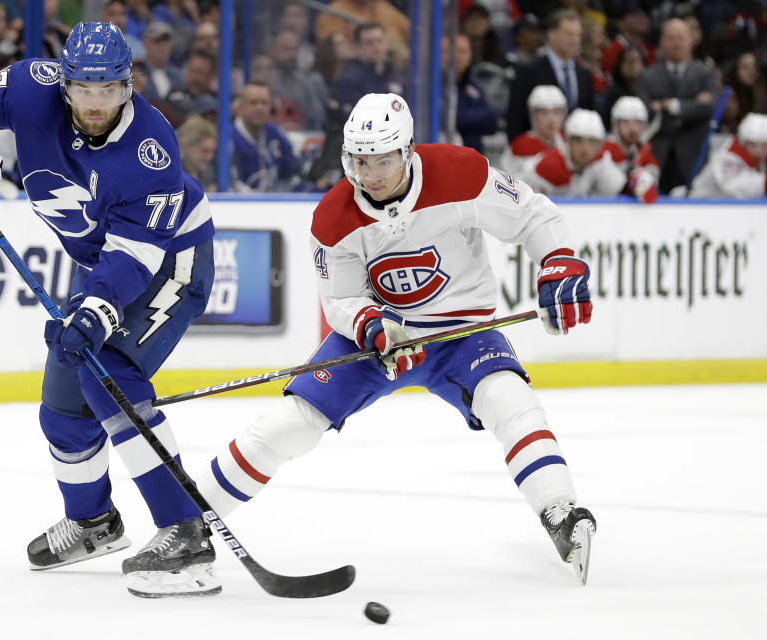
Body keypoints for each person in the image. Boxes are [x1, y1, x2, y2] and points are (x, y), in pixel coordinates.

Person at [194, 92, 597, 585]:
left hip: (461, 331)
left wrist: (557, 261)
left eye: (383, 160)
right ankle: (188, 522)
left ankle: (561, 510)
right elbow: (340, 300)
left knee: (510, 399)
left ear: (407, 151)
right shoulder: (333, 217)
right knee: (293, 422)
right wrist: (374, 326)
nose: (372, 173)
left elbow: (534, 215)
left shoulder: (460, 173)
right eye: (360, 161)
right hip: (381, 339)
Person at [0, 21, 220, 598]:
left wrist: (94, 312)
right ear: (66, 83)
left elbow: (134, 258)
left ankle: (185, 531)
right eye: (85, 88)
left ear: (129, 85)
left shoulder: (151, 150)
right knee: (62, 403)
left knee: (111, 379)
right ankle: (93, 522)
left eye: (109, 89)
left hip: (169, 260)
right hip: (101, 260)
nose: (96, 102)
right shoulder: (33, 86)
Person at [639, 18, 717, 194]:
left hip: (693, 155)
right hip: (658, 156)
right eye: (671, 38)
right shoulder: (648, 75)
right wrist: (693, 104)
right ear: (662, 42)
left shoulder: (705, 73)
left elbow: (709, 108)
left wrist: (670, 105)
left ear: (691, 40)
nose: (676, 43)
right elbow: (645, 110)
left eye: (681, 37)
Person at [506, 9, 594, 140]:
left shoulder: (584, 75)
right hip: (535, 152)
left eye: (578, 35)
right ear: (551, 35)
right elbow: (515, 120)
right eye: (569, 34)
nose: (575, 40)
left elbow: (588, 117)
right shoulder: (529, 70)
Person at [520, 108, 627, 197]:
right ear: (568, 141)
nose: (585, 148)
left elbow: (619, 190)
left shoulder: (600, 161)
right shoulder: (547, 167)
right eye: (578, 140)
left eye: (592, 142)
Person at [230, 82, 302, 192]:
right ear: (240, 106)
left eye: (264, 103)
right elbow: (230, 185)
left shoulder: (275, 133)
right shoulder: (229, 139)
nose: (259, 108)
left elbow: (291, 171)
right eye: (253, 103)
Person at [690, 112, 767, 199]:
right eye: (754, 144)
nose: (762, 150)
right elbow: (739, 189)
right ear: (745, 142)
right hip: (700, 207)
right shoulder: (727, 157)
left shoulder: (759, 158)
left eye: (765, 145)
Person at [500, 85, 566, 179]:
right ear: (533, 116)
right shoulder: (521, 146)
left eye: (556, 112)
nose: (551, 120)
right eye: (544, 113)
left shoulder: (569, 144)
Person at [601, 96, 659, 203]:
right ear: (616, 124)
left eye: (638, 123)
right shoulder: (605, 151)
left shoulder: (645, 152)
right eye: (626, 123)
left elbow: (653, 185)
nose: (633, 129)